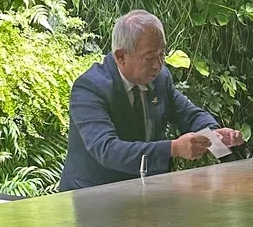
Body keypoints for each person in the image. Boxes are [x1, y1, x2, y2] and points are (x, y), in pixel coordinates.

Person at [59, 10, 243, 191]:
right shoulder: (90, 88)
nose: (158, 64)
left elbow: (187, 114)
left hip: (145, 193)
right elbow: (107, 150)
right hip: (93, 198)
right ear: (121, 56)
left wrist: (215, 135)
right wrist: (173, 149)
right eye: (149, 58)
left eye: (162, 54)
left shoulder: (160, 78)